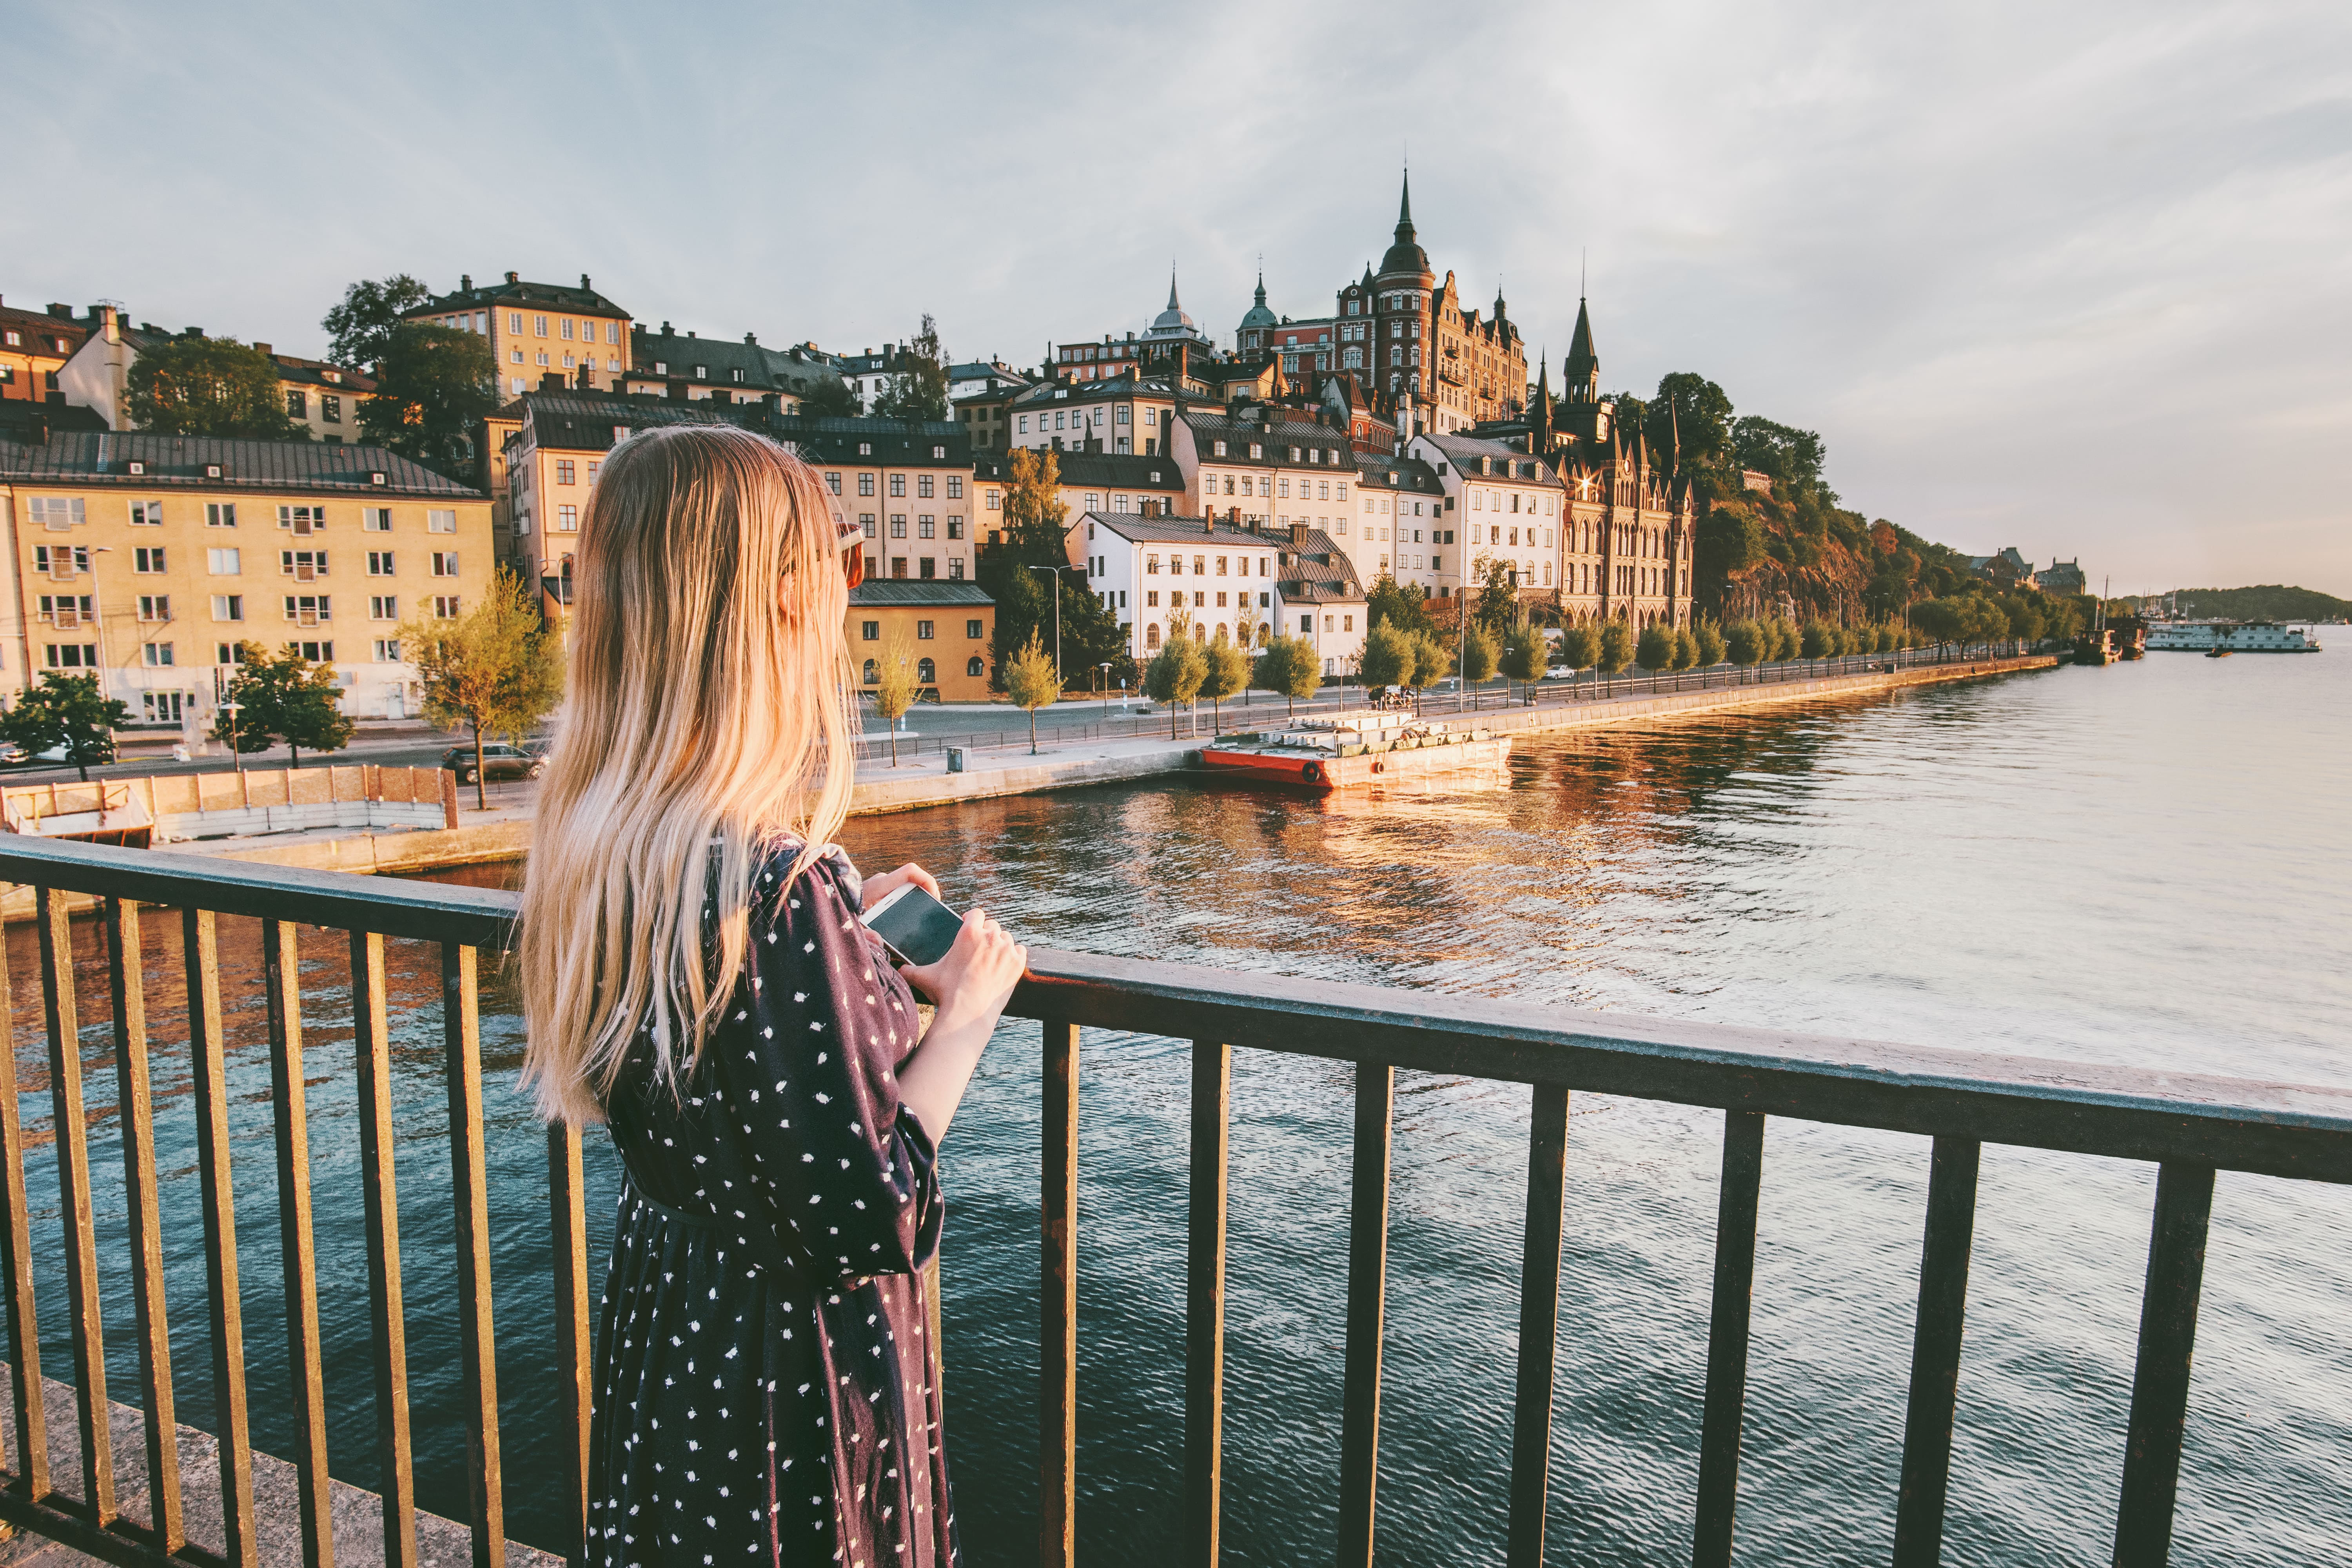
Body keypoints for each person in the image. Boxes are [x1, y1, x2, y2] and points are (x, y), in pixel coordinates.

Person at [517, 424, 1026, 1567]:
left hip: (679, 1343)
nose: (852, 596)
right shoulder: (780, 890)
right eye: (844, 565)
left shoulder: (609, 848)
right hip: (790, 1382)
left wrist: (849, 936)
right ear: (784, 603)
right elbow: (880, 1211)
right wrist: (969, 1010)